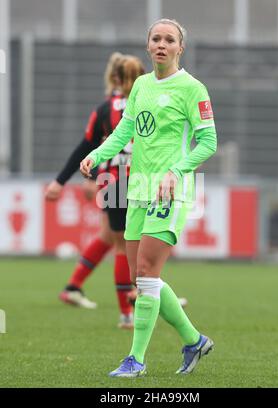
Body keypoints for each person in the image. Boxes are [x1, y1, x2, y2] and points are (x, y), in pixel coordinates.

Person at [80, 19, 217, 377]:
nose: (161, 44)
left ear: (179, 48)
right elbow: (126, 129)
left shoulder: (192, 88)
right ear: (147, 45)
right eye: (156, 38)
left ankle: (136, 359)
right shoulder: (141, 85)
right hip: (137, 190)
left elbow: (208, 142)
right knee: (144, 279)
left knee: (145, 272)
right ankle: (193, 339)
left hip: (170, 191)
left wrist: (176, 172)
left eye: (169, 39)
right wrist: (97, 154)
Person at [45, 52, 145, 329]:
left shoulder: (105, 108)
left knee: (119, 242)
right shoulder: (147, 104)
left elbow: (87, 145)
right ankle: (132, 305)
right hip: (136, 181)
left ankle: (134, 296)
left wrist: (63, 180)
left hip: (110, 182)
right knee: (128, 244)